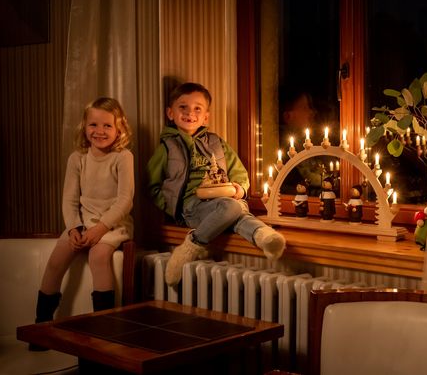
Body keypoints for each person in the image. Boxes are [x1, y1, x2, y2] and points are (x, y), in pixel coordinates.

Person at [146, 82, 286, 286]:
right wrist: (171, 206)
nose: (189, 113)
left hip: (222, 201)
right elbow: (152, 185)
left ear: (206, 117)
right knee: (232, 207)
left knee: (233, 207)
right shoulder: (167, 147)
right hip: (191, 208)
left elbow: (239, 173)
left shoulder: (216, 143)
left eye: (197, 108)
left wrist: (239, 188)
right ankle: (191, 245)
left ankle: (264, 237)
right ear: (170, 113)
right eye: (182, 107)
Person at [30, 97, 134, 351]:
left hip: (113, 224)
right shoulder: (77, 158)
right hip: (82, 222)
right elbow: (69, 199)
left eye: (107, 126)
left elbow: (124, 201)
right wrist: (75, 227)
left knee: (98, 257)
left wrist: (101, 229)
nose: (99, 131)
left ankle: (105, 329)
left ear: (119, 129)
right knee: (56, 260)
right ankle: (42, 325)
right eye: (93, 125)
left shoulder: (123, 157)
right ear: (84, 127)